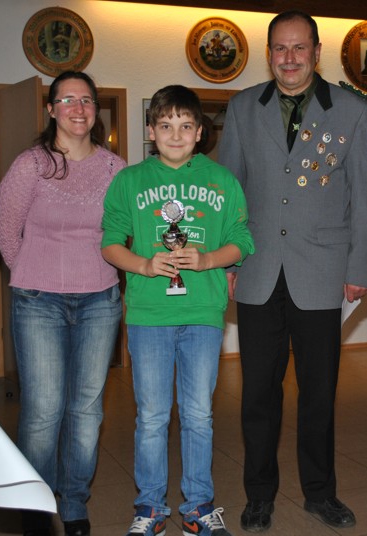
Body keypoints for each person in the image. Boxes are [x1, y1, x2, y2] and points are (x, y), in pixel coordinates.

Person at [217, 9, 367, 533]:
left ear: (316, 52)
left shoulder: (352, 110)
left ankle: (320, 493)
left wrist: (360, 266)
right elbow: (227, 192)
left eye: (299, 47)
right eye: (280, 48)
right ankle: (259, 495)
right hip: (257, 271)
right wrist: (227, 260)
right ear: (269, 54)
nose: (289, 58)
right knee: (257, 397)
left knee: (319, 395)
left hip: (323, 273)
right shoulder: (243, 108)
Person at [101, 85, 254, 536]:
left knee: (198, 415)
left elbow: (242, 241)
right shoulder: (129, 181)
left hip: (203, 312)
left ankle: (198, 506)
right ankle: (150, 507)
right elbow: (110, 243)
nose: (175, 134)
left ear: (200, 132)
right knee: (151, 416)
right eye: (165, 125)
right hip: (149, 314)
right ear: (150, 130)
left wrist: (206, 260)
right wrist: (145, 265)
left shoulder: (222, 180)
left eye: (186, 125)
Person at [0, 71, 126, 536]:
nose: (77, 108)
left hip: (100, 301)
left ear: (95, 109)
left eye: (86, 99)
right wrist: (33, 274)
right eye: (67, 99)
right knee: (44, 409)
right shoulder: (31, 165)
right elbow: (5, 230)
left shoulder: (115, 168)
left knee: (87, 411)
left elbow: (124, 232)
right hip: (38, 302)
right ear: (51, 110)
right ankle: (36, 506)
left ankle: (72, 504)